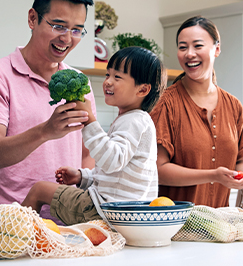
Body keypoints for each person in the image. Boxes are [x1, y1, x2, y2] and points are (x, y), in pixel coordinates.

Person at [0, 0, 96, 220]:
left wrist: (80, 182)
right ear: (33, 18)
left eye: (76, 30)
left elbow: (89, 151)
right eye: (58, 26)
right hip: (11, 225)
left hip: (68, 225)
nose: (67, 38)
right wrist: (45, 131)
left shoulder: (78, 82)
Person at [22, 46, 166, 225]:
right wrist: (82, 177)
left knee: (39, 190)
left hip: (104, 210)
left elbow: (112, 161)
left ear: (142, 90)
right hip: (123, 215)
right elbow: (116, 178)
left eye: (117, 77)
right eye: (107, 75)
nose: (108, 82)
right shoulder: (135, 120)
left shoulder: (134, 121)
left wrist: (89, 121)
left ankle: (13, 238)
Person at [150, 15, 243, 207]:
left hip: (221, 226)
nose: (189, 54)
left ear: (216, 49)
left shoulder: (234, 106)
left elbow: (241, 159)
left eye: (198, 46)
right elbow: (156, 171)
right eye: (183, 47)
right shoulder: (165, 104)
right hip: (175, 228)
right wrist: (213, 175)